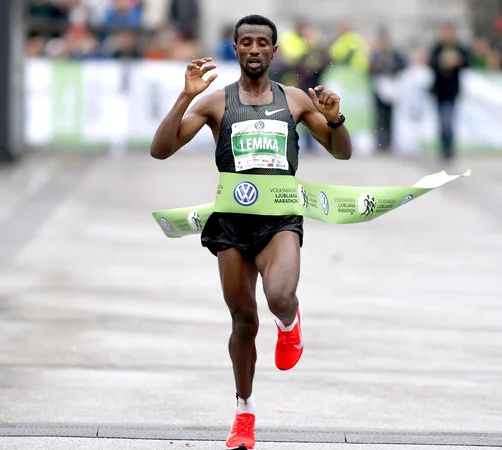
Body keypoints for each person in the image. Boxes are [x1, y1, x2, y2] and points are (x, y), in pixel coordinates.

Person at [149, 14, 352, 450]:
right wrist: (186, 97)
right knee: (243, 319)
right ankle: (243, 414)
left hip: (280, 219)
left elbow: (342, 154)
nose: (255, 49)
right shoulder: (215, 103)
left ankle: (289, 320)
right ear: (236, 50)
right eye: (247, 43)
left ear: (274, 52)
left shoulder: (295, 100)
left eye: (264, 43)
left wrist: (335, 121)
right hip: (231, 224)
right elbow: (160, 150)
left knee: (279, 295)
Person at [429, 22, 468, 163]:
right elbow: (431, 64)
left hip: (451, 91)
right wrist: (441, 62)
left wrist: (457, 61)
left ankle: (449, 148)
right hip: (440, 90)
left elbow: (467, 62)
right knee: (442, 121)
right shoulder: (437, 48)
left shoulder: (458, 48)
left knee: (448, 120)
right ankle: (444, 148)